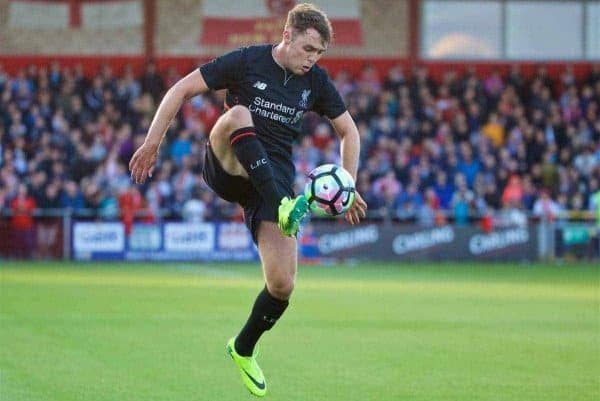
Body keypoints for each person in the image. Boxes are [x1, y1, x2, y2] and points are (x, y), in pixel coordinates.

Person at [129, 3, 367, 397]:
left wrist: (350, 182)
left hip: (269, 183)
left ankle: (243, 348)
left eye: (320, 53)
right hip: (228, 163)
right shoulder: (247, 61)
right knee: (239, 113)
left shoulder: (316, 83)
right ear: (287, 35)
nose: (313, 60)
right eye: (308, 49)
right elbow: (182, 88)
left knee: (282, 285)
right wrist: (153, 143)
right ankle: (284, 204)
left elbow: (350, 133)